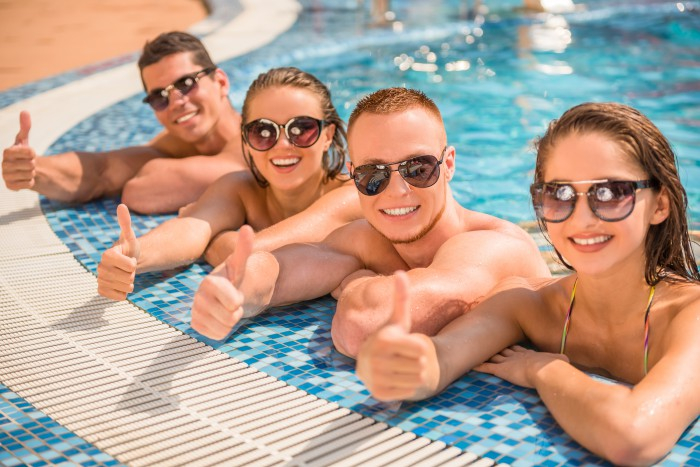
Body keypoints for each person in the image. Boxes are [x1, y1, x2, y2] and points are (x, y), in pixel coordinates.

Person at [355, 102, 700, 466]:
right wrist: (399, 364)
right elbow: (441, 356)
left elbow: (633, 437)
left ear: (660, 204)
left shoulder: (689, 316)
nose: (581, 218)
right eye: (560, 195)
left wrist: (542, 369)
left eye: (611, 192)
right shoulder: (529, 305)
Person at [190, 87, 551, 353]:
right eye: (373, 175)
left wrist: (357, 281)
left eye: (417, 168)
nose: (396, 191)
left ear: (449, 164)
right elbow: (277, 270)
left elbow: (362, 327)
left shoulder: (491, 247)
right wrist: (232, 291)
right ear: (352, 174)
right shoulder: (368, 238)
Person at [97, 67, 361, 301]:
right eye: (264, 131)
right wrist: (134, 255)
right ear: (246, 138)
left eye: (301, 129)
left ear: (327, 136)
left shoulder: (352, 195)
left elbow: (250, 254)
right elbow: (191, 228)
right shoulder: (240, 188)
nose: (283, 145)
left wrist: (215, 240)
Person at [2, 31, 245, 214]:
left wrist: (153, 170)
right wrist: (35, 170)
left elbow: (142, 191)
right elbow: (103, 171)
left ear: (221, 82)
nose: (175, 102)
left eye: (185, 84)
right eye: (159, 97)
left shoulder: (259, 141)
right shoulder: (172, 147)